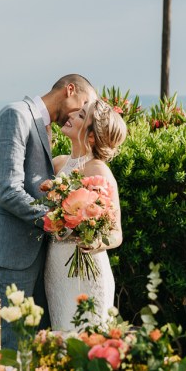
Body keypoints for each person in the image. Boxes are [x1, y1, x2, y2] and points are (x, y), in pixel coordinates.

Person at [0, 74, 97, 350]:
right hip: (6, 253)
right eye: (83, 105)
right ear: (69, 90)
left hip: (29, 254)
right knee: (16, 348)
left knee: (37, 346)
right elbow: (9, 191)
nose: (82, 115)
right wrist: (58, 221)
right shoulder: (16, 116)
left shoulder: (40, 125)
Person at [44, 98, 127, 331]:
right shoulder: (58, 164)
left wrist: (96, 240)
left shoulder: (98, 170)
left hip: (86, 272)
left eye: (80, 115)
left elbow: (116, 233)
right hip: (56, 270)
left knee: (88, 344)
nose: (70, 115)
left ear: (91, 136)